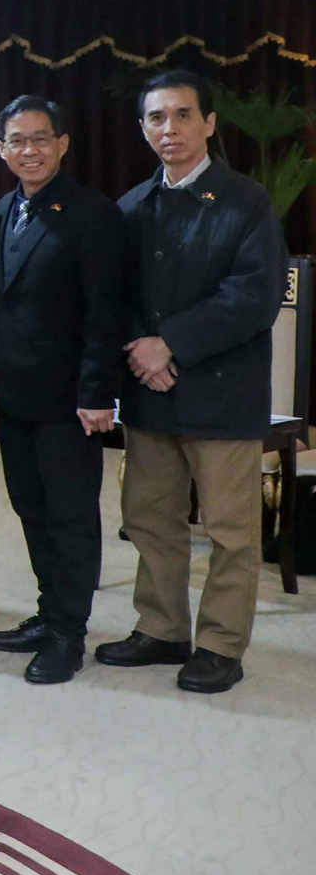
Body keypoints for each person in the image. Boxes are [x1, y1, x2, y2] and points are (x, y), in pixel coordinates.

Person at [99, 69, 286, 694]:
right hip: (151, 392)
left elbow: (253, 297)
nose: (168, 129)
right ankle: (162, 628)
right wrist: (143, 353)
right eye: (156, 117)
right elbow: (114, 296)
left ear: (208, 123)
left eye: (182, 115)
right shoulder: (130, 206)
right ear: (144, 128)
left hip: (221, 393)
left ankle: (221, 645)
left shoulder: (246, 201)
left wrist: (170, 343)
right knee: (151, 518)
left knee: (232, 530)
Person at [0, 95, 127, 685]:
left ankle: (69, 632)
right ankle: (48, 614)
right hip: (15, 396)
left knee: (70, 517)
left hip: (72, 400)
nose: (29, 151)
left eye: (40, 138)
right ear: (2, 150)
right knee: (30, 508)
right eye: (17, 141)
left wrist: (98, 393)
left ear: (63, 143)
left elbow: (105, 313)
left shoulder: (94, 214)